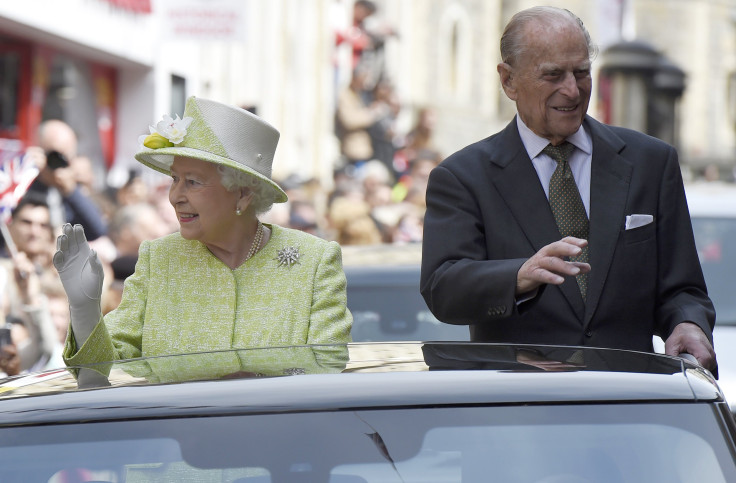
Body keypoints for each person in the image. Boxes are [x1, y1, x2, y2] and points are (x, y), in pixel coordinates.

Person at [419, 6, 717, 373]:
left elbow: (683, 288)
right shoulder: (464, 177)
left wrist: (687, 323)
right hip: (520, 408)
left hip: (630, 404)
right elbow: (442, 289)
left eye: (581, 73)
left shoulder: (650, 163)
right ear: (508, 80)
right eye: (553, 75)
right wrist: (518, 276)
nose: (573, 90)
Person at [53, 96, 352, 374]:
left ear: (243, 194)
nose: (175, 196)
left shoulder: (314, 262)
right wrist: (84, 308)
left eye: (193, 182)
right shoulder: (159, 260)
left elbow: (328, 373)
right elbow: (101, 371)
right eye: (174, 179)